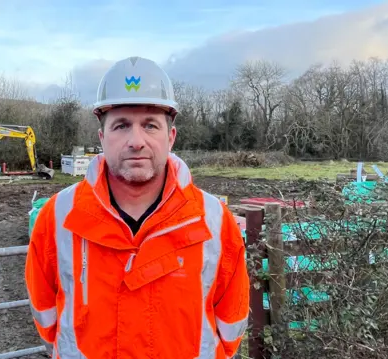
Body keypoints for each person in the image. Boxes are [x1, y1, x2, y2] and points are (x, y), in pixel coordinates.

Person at [25, 56, 250, 359]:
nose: (136, 141)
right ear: (102, 137)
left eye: (150, 125)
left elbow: (231, 325)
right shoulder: (58, 216)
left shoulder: (214, 220)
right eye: (121, 125)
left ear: (170, 137)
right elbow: (46, 317)